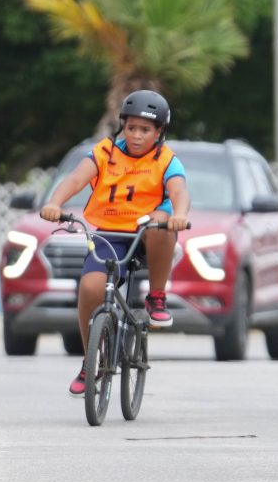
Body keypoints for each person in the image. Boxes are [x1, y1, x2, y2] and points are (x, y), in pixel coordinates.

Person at [38, 90, 192, 397]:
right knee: (91, 288)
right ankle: (90, 360)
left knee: (159, 226)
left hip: (148, 231)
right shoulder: (105, 152)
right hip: (110, 232)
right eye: (131, 128)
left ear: (159, 131)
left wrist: (181, 214)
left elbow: (178, 192)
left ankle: (157, 297)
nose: (136, 136)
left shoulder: (166, 160)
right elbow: (76, 179)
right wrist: (55, 202)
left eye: (145, 130)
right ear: (122, 125)